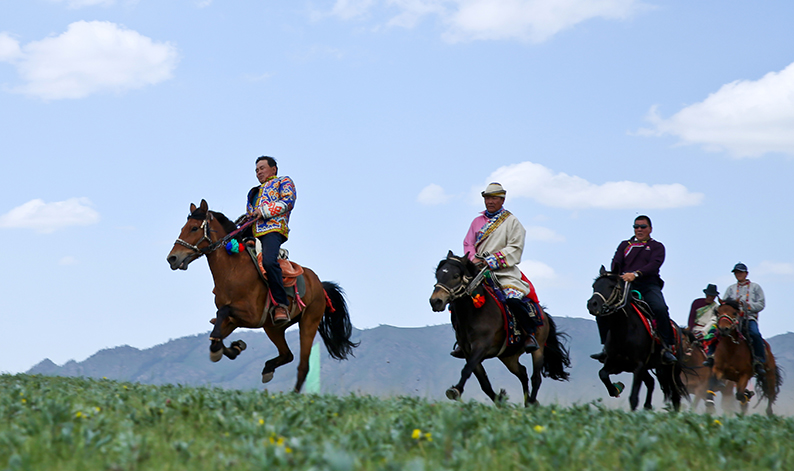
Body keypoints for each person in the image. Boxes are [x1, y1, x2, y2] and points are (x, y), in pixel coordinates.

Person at [451, 182, 539, 358]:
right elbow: (468, 243)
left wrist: (491, 260)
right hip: (478, 271)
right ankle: (462, 341)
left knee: (513, 300)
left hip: (504, 272)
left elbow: (515, 247)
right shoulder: (476, 222)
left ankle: (528, 335)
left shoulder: (512, 222)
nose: (490, 201)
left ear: (502, 199)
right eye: (487, 198)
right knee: (457, 299)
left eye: (494, 198)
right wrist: (474, 260)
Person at [591, 215, 677, 364]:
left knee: (660, 308)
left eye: (643, 226)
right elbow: (616, 261)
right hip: (625, 285)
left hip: (648, 285)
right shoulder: (625, 245)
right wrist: (616, 273)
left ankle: (666, 347)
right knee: (603, 307)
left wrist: (636, 274)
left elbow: (654, 264)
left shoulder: (657, 246)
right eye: (636, 226)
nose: (639, 229)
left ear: (650, 229)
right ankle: (606, 347)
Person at [246, 156, 296, 326]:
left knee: (268, 261)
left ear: (274, 169)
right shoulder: (253, 192)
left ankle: (281, 305)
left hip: (273, 229)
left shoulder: (284, 181)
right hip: (252, 230)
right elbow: (249, 213)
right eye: (256, 170)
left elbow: (288, 201)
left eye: (262, 168)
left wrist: (264, 211)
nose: (259, 172)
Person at [708, 263, 767, 374]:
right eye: (736, 273)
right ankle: (711, 356)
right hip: (732, 319)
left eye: (741, 272)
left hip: (748, 318)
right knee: (715, 332)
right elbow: (724, 303)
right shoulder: (731, 289)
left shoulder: (755, 287)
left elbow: (761, 304)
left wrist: (747, 306)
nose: (738, 274)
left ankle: (759, 361)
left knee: (755, 334)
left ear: (746, 273)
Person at [688, 284, 720, 358]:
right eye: (708, 295)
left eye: (712, 296)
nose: (710, 298)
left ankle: (710, 357)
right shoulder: (697, 302)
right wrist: (690, 330)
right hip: (695, 329)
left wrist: (703, 332)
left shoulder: (716, 307)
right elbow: (692, 317)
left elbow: (713, 320)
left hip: (707, 331)